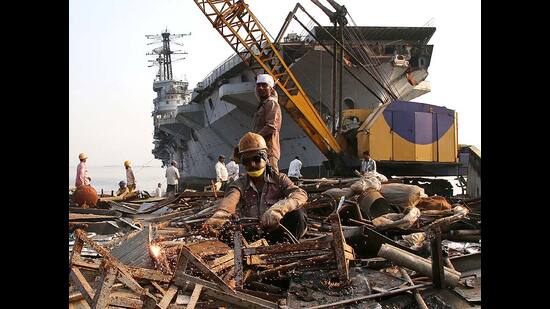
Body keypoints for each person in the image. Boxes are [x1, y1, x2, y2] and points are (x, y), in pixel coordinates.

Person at [204, 132, 308, 244]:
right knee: (226, 230)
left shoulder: (279, 179)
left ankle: (286, 248)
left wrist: (280, 208)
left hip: (277, 231)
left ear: (265, 157)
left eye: (256, 159)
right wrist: (221, 214)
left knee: (298, 215)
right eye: (246, 161)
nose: (252, 165)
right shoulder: (239, 184)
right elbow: (231, 198)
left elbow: (300, 194)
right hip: (252, 234)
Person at [252, 74, 282, 173]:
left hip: (268, 151)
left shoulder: (271, 103)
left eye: (264, 85)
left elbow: (271, 127)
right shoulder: (263, 105)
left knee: (272, 181)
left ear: (271, 88)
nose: (260, 87)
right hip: (260, 149)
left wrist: (253, 139)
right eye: (258, 85)